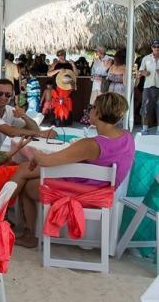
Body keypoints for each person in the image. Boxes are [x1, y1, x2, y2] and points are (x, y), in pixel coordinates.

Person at [17, 92, 136, 248]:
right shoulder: (127, 137)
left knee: (27, 185)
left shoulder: (90, 144)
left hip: (81, 194)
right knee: (27, 171)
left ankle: (25, 232)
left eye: (92, 107)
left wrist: (37, 155)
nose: (90, 110)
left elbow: (47, 161)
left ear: (99, 112)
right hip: (103, 193)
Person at [0, 79, 56, 150]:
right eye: (0, 93)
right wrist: (40, 133)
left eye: (8, 94)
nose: (3, 97)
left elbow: (34, 128)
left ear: (12, 95)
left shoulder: (10, 110)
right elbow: (10, 131)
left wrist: (24, 116)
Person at [139, 39, 159, 134]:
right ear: (151, 48)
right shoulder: (146, 58)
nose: (156, 48)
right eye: (154, 46)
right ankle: (144, 128)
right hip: (148, 86)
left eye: (158, 46)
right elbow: (140, 71)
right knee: (145, 106)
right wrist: (144, 73)